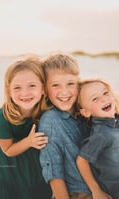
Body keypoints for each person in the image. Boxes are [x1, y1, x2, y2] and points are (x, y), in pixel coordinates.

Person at [0, 55, 52, 199]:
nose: (25, 93)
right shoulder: (3, 117)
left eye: (32, 85)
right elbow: (8, 150)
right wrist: (29, 142)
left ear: (43, 88)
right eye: (17, 87)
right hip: (10, 170)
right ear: (9, 91)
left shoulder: (46, 112)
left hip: (34, 170)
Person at [39, 52, 92, 199]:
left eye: (70, 83)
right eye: (55, 85)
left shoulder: (85, 110)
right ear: (45, 89)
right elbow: (53, 170)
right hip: (78, 191)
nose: (64, 92)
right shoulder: (50, 121)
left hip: (101, 185)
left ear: (78, 83)